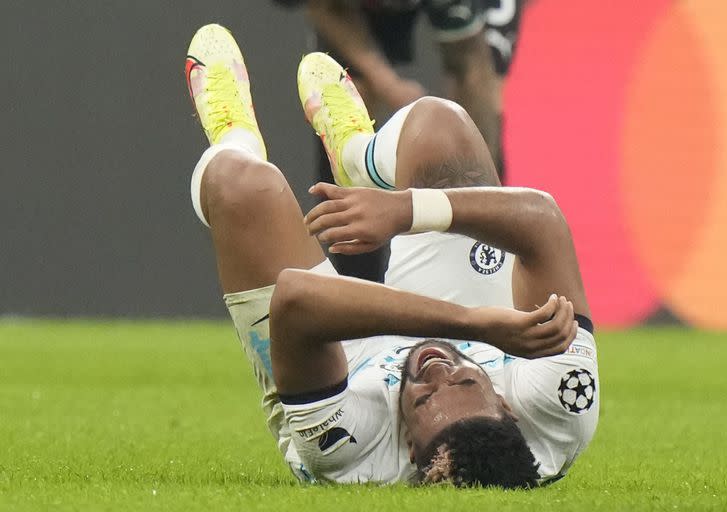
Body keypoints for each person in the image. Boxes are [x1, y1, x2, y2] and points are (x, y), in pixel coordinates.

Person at [185, 24, 598, 487]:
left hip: (347, 368)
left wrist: (474, 324)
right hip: (478, 335)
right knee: (441, 126)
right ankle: (358, 154)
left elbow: (297, 300)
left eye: (426, 400)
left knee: (241, 184)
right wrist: (403, 209)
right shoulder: (559, 403)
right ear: (506, 408)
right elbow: (542, 220)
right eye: (464, 383)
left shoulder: (352, 452)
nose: (438, 367)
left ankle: (233, 132)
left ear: (408, 447)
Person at [272, 0, 526, 283]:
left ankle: (489, 265)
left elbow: (470, 66)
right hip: (351, 11)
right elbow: (326, 9)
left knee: (486, 100)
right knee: (345, 89)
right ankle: (359, 287)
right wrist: (389, 84)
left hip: (470, 24)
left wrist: (480, 187)